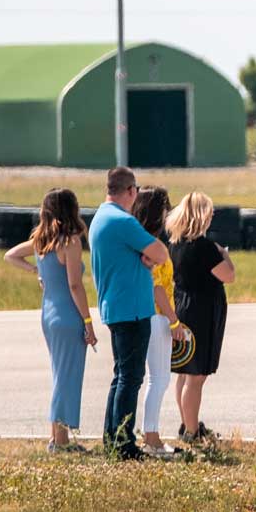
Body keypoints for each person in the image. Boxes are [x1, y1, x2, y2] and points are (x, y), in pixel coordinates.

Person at [4, 189, 98, 453]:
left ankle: (57, 437)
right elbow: (75, 285)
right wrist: (88, 320)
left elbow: (10, 255)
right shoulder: (70, 242)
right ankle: (60, 441)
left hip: (49, 313)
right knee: (67, 375)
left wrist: (36, 270)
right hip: (68, 314)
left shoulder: (40, 240)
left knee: (61, 374)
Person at [89, 166, 169, 460]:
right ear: (131, 191)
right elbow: (160, 253)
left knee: (120, 376)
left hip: (114, 304)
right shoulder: (123, 221)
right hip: (132, 308)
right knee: (131, 378)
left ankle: (112, 437)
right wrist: (147, 257)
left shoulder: (100, 217)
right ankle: (124, 443)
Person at [166, 190, 234, 443]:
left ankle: (188, 423)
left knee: (185, 372)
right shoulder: (205, 247)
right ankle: (193, 432)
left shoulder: (175, 244)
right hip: (203, 310)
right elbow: (228, 275)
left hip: (183, 307)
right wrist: (224, 254)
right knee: (197, 376)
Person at [131, 186, 188, 457]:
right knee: (159, 379)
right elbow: (158, 288)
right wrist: (174, 321)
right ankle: (151, 437)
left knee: (158, 379)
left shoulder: (142, 241)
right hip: (157, 316)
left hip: (153, 316)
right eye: (165, 209)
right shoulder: (152, 245)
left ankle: (150, 433)